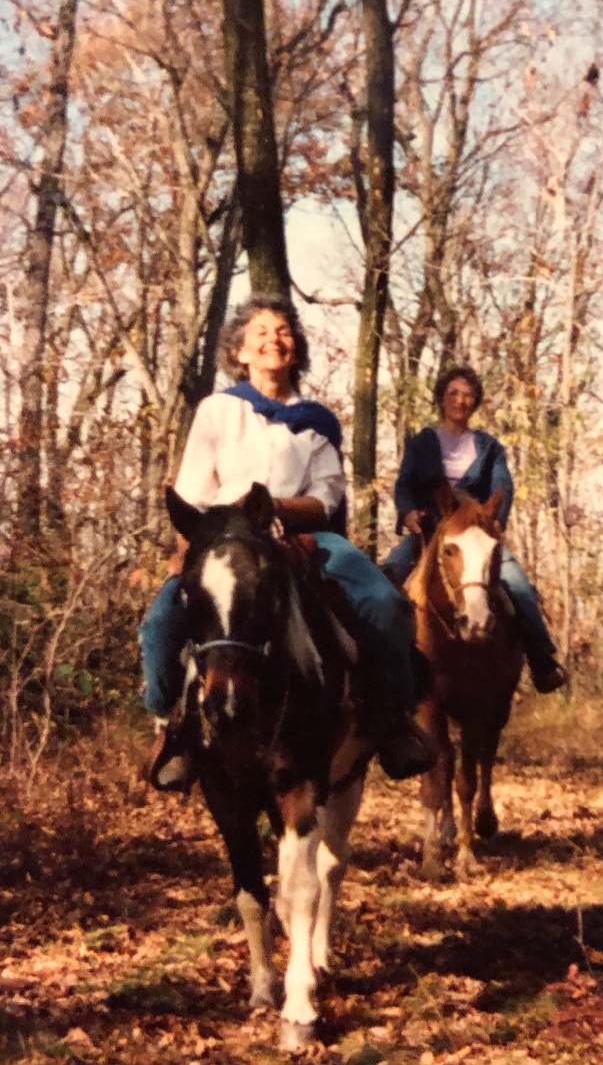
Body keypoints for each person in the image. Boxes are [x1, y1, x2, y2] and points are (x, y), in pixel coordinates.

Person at [138, 293, 435, 789]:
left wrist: (275, 507)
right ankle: (172, 729)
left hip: (305, 534)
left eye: (283, 331)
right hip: (227, 536)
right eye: (261, 332)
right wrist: (185, 552)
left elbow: (325, 496)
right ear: (240, 352)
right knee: (162, 619)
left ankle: (394, 720)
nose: (274, 339)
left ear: (296, 348)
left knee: (384, 602)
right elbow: (193, 490)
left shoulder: (317, 420)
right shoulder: (218, 410)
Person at [382, 364, 567, 694]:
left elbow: (502, 486)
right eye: (453, 393)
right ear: (441, 399)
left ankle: (543, 661)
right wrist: (408, 514)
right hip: (430, 532)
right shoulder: (422, 443)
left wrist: (494, 521)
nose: (460, 400)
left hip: (476, 536)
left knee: (519, 586)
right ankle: (381, 668)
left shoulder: (489, 447)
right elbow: (404, 485)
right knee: (386, 579)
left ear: (476, 402)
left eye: (468, 395)